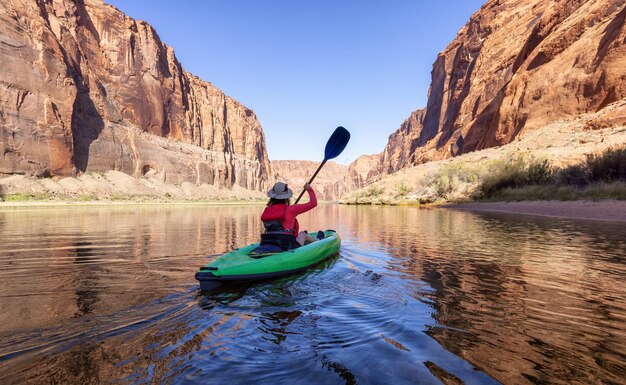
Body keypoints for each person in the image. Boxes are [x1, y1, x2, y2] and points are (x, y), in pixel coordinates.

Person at [259, 181, 318, 251]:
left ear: (272, 197)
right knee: (303, 234)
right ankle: (319, 243)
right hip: (287, 245)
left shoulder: (267, 210)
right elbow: (313, 203)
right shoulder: (292, 209)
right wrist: (309, 188)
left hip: (270, 241)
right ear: (286, 197)